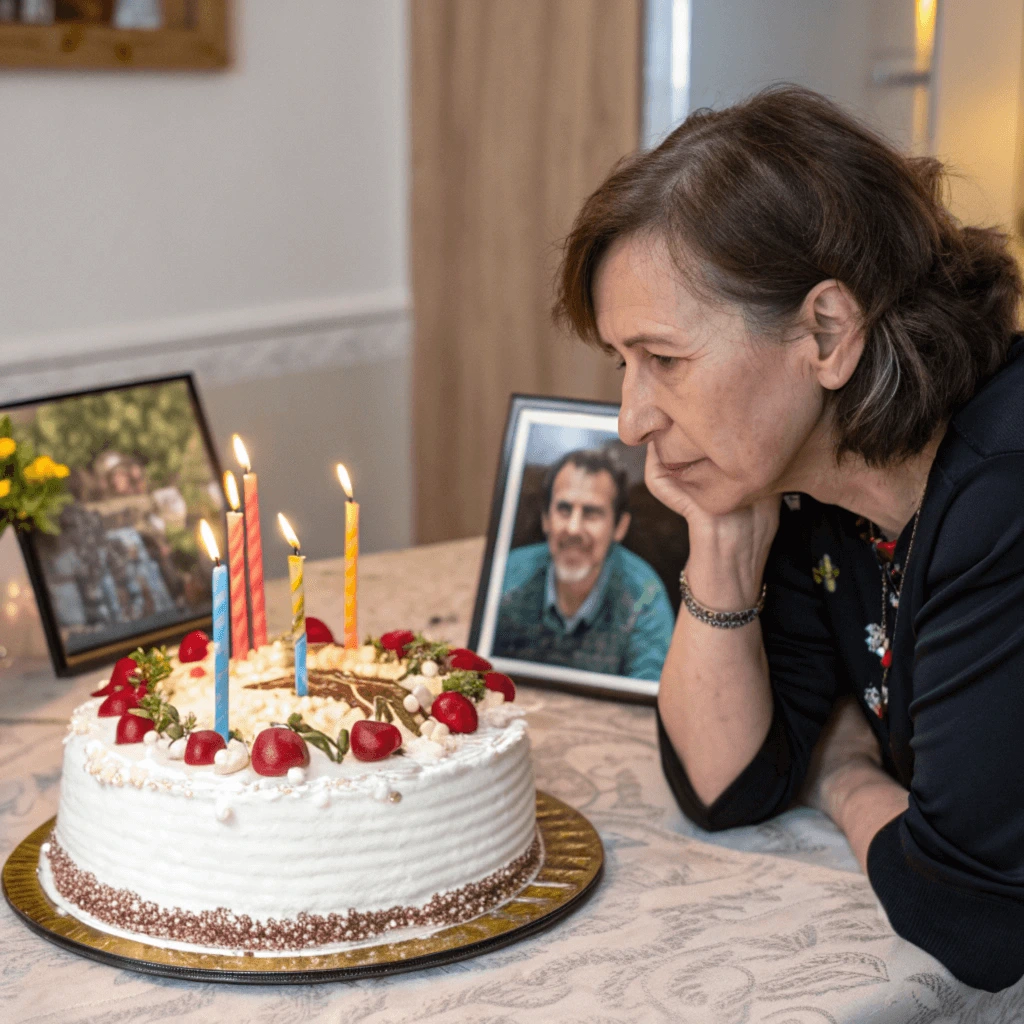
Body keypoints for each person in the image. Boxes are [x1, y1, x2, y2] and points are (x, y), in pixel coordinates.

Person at [553, 85, 1024, 992]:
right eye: (623, 365)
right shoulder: (815, 491)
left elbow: (977, 920)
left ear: (828, 330)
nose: (629, 420)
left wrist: (844, 773)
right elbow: (730, 786)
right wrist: (721, 544)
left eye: (664, 360)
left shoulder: (1002, 492)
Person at [494, 448, 674, 679]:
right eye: (564, 509)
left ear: (619, 527)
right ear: (546, 519)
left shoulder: (645, 596)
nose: (573, 529)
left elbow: (648, 698)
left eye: (591, 513)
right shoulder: (506, 577)